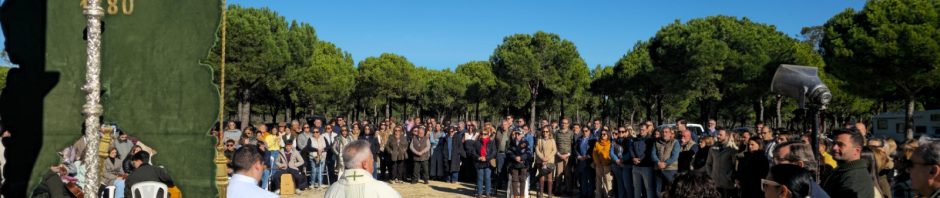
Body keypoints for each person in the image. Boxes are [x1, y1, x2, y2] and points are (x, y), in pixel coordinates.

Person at [325, 140, 402, 198]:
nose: (373, 162)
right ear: (364, 164)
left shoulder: (332, 190)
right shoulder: (383, 190)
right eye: (371, 160)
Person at [823, 129, 874, 198]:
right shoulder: (844, 170)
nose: (834, 147)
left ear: (857, 150)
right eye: (834, 143)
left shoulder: (857, 179)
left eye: (840, 144)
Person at [704, 129, 737, 198]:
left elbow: (735, 166)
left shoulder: (732, 149)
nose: (718, 136)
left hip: (727, 185)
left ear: (727, 136)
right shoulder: (713, 148)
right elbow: (708, 164)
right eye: (718, 134)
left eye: (720, 135)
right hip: (715, 184)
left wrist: (730, 177)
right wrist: (711, 175)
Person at [651, 128, 681, 195]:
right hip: (658, 169)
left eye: (666, 132)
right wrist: (658, 162)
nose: (664, 133)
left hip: (670, 170)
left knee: (671, 189)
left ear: (670, 133)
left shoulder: (675, 142)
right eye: (663, 132)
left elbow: (674, 156)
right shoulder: (656, 142)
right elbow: (653, 154)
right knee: (658, 190)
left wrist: (665, 164)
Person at [468, 129, 497, 198]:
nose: (483, 135)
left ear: (488, 134)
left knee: (487, 178)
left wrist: (486, 158)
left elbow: (494, 152)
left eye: (485, 134)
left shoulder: (491, 142)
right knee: (480, 178)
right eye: (482, 134)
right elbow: (473, 152)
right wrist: (479, 157)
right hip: (479, 162)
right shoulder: (477, 142)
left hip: (488, 162)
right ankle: (479, 193)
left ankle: (487, 193)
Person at [632, 121, 655, 198]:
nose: (641, 131)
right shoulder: (635, 139)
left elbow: (648, 152)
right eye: (640, 129)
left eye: (643, 130)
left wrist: (639, 159)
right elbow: (631, 149)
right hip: (636, 167)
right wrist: (633, 158)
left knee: (648, 188)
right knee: (636, 188)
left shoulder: (650, 140)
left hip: (646, 167)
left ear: (647, 130)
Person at [508, 131, 533, 198]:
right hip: (514, 164)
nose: (517, 136)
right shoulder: (512, 142)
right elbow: (509, 152)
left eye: (518, 134)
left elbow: (529, 153)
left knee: (522, 180)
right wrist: (515, 157)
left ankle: (522, 196)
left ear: (522, 135)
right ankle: (515, 196)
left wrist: (521, 158)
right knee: (514, 180)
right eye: (516, 134)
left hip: (523, 164)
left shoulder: (526, 142)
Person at [553, 118, 574, 195]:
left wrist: (568, 154)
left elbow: (573, 145)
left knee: (568, 174)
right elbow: (554, 144)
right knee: (558, 174)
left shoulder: (571, 133)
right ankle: (558, 190)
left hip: (568, 156)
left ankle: (569, 190)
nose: (563, 124)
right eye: (562, 123)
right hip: (559, 156)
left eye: (565, 123)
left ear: (568, 124)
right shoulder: (557, 133)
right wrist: (559, 154)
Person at [610, 128, 633, 198]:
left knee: (627, 185)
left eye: (623, 132)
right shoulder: (614, 141)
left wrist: (622, 160)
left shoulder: (629, 141)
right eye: (619, 131)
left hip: (626, 165)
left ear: (626, 132)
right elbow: (611, 152)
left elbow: (630, 152)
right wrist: (617, 160)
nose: (621, 133)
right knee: (620, 184)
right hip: (617, 165)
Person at [536, 127, 557, 198]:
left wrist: (547, 158)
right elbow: (537, 150)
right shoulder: (539, 140)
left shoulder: (552, 140)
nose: (545, 133)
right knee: (541, 177)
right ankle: (541, 194)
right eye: (544, 131)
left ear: (549, 132)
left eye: (547, 131)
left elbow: (554, 150)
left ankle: (549, 194)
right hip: (541, 161)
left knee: (549, 177)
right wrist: (542, 158)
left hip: (549, 161)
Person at [575, 126, 597, 198]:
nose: (584, 132)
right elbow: (575, 149)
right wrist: (578, 156)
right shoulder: (579, 139)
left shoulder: (593, 139)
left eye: (586, 131)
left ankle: (590, 194)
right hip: (581, 161)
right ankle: (583, 194)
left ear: (589, 131)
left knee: (590, 179)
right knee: (583, 178)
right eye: (583, 131)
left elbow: (594, 150)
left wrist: (587, 156)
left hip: (590, 161)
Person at [593, 131, 614, 198]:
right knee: (598, 182)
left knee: (608, 182)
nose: (602, 135)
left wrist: (606, 162)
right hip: (599, 165)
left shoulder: (610, 144)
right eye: (601, 134)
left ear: (608, 135)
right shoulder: (597, 143)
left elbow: (610, 154)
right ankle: (598, 196)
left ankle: (608, 196)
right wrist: (598, 162)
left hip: (607, 165)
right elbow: (594, 154)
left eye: (604, 134)